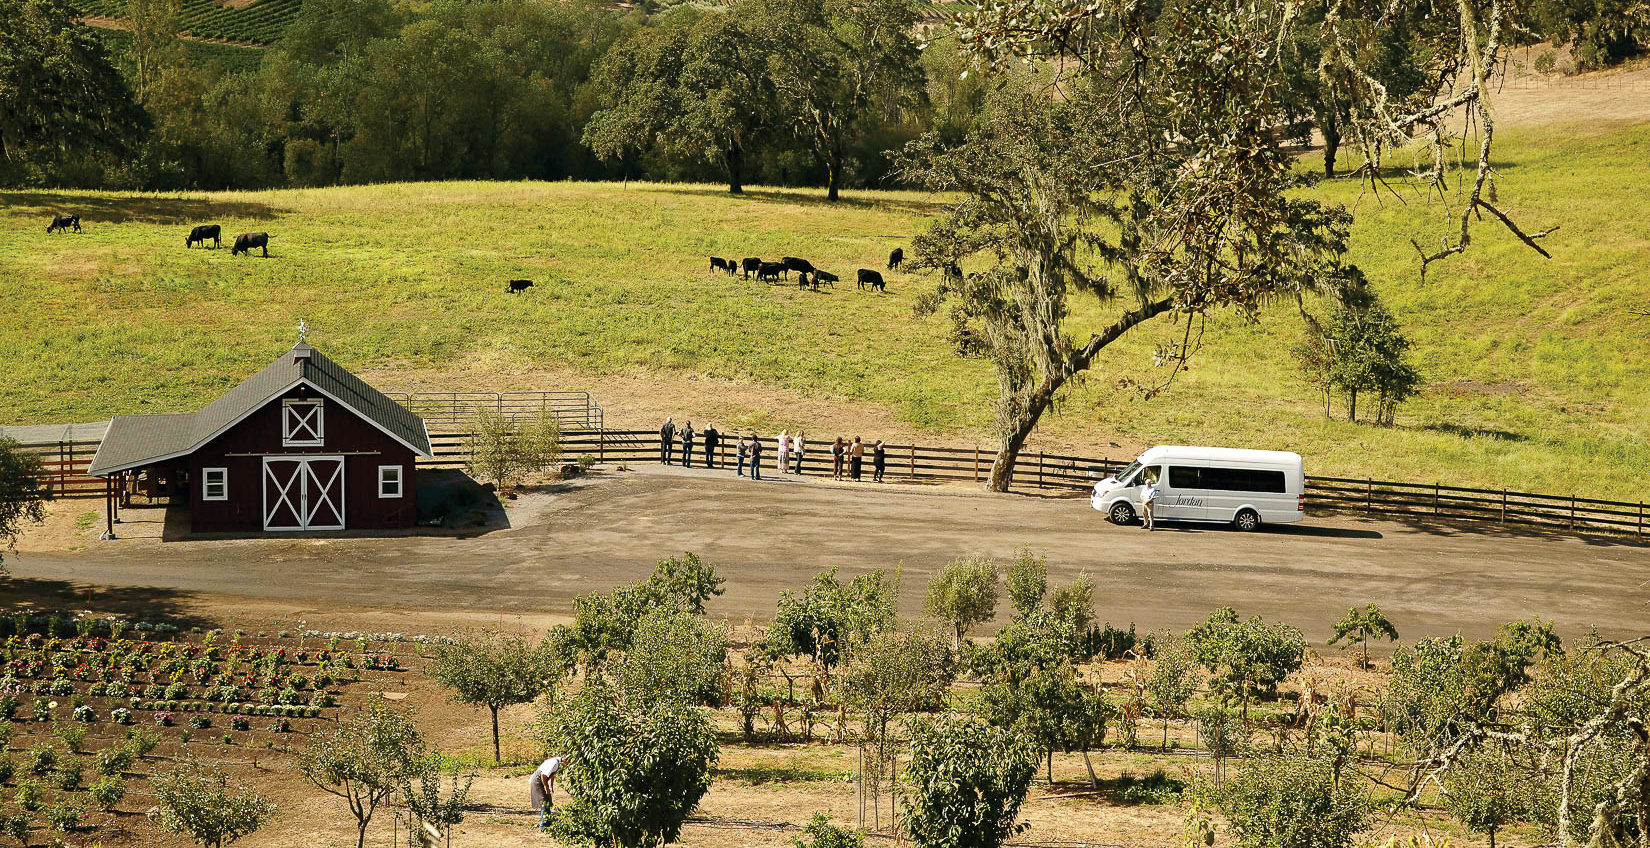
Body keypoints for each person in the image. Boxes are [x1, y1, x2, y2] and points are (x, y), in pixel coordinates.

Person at [529, 755, 563, 829]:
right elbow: (543, 775)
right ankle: (543, 825)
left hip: (542, 781)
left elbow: (552, 775)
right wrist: (546, 787)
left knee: (548, 800)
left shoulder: (558, 763)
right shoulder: (554, 762)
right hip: (537, 781)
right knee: (544, 801)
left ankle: (548, 821)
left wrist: (551, 786)